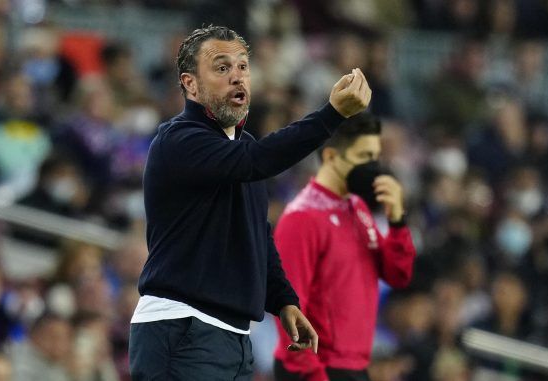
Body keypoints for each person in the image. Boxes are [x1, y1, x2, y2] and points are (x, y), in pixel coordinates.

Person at [129, 25, 372, 380]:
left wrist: (282, 300)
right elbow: (258, 160)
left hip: (232, 336)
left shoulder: (240, 150)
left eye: (243, 66)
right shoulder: (179, 140)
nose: (237, 77)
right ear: (190, 84)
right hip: (182, 326)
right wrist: (330, 116)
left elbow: (257, 232)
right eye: (222, 67)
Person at [272, 112, 416, 381]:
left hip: (354, 366)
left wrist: (397, 219)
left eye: (375, 157)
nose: (373, 168)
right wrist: (312, 374)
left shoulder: (357, 207)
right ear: (330, 158)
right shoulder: (302, 218)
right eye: (364, 158)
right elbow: (288, 310)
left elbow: (398, 274)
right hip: (317, 368)